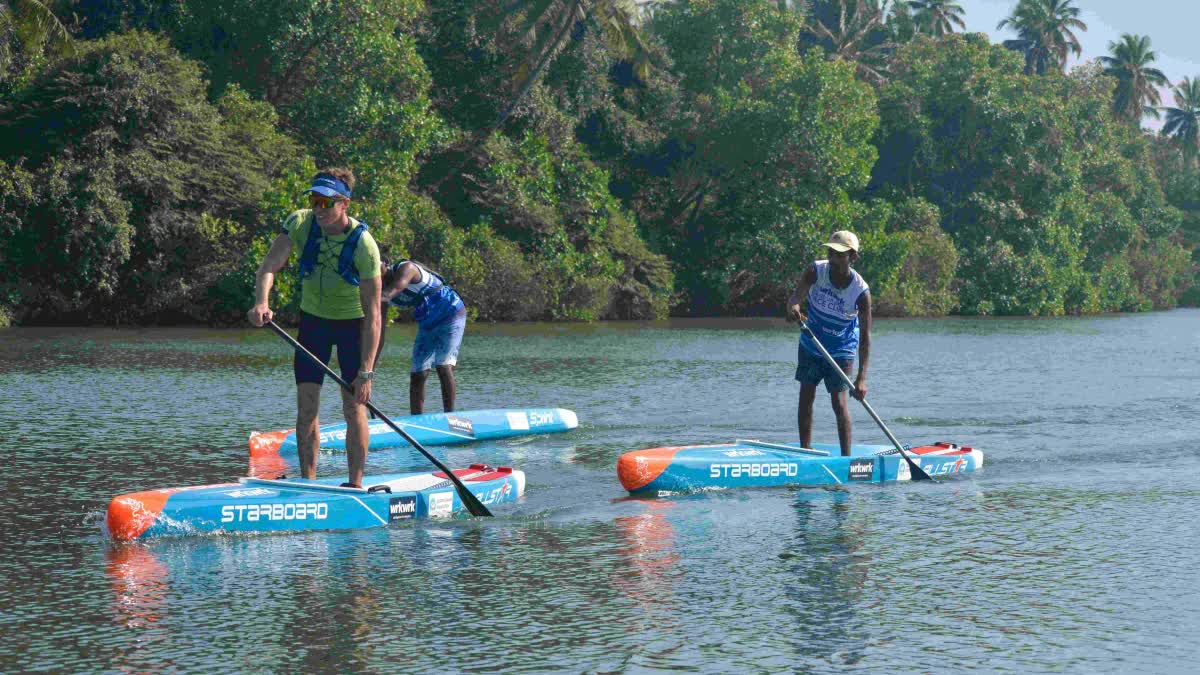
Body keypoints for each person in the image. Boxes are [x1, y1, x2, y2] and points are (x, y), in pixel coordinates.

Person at [247, 168, 382, 488]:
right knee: (307, 405)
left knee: (354, 407)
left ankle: (355, 484)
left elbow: (375, 315)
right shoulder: (299, 223)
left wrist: (366, 372)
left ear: (344, 204)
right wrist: (262, 302)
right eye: (314, 200)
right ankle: (309, 485)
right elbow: (269, 266)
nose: (318, 208)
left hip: (355, 327)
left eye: (326, 203)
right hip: (313, 324)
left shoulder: (364, 245)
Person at [785, 230, 872, 456]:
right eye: (831, 253)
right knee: (806, 396)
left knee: (839, 403)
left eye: (840, 255)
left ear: (853, 257)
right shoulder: (816, 271)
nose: (833, 259)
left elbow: (865, 337)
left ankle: (846, 459)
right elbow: (796, 297)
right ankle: (805, 450)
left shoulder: (861, 292)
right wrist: (793, 307)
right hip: (811, 344)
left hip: (841, 349)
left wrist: (861, 378)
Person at [377, 259, 467, 414]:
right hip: (427, 323)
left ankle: (451, 416)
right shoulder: (381, 292)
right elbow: (378, 331)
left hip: (451, 313)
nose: (371, 271)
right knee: (418, 374)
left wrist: (369, 298)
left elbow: (393, 290)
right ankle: (416, 420)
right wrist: (369, 369)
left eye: (373, 265)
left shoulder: (406, 268)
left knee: (443, 366)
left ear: (385, 263)